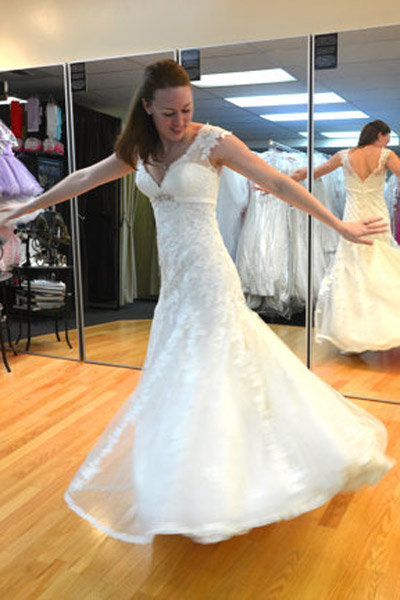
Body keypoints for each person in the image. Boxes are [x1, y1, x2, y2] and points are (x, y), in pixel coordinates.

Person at [0, 61, 394, 544]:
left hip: (209, 276)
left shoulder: (214, 142)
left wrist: (339, 226)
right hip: (175, 285)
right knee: (181, 374)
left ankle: (228, 484)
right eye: (168, 113)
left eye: (187, 109)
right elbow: (82, 179)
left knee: (212, 372)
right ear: (146, 108)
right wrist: (22, 208)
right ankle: (188, 481)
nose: (180, 121)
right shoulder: (138, 151)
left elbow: (279, 183)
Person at [292, 120, 400, 353]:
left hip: (352, 218)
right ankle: (383, 326)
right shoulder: (386, 155)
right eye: (388, 137)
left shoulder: (343, 156)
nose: (388, 142)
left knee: (352, 271)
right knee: (380, 268)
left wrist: (282, 182)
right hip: (377, 217)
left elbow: (309, 173)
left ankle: (354, 334)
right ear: (380, 135)